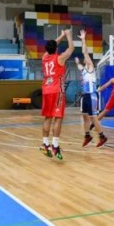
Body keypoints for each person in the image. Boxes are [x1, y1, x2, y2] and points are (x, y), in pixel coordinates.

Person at [40, 29, 74, 160]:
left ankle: (45, 143)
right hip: (57, 91)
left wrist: (61, 35)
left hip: (46, 90)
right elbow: (71, 48)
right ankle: (55, 145)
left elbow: (53, 44)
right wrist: (69, 36)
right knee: (58, 118)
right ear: (56, 48)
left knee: (47, 118)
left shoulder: (44, 58)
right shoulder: (59, 58)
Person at [75, 30, 108, 147]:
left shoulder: (90, 67)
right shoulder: (84, 69)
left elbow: (85, 52)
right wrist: (77, 62)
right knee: (85, 117)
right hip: (85, 95)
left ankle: (102, 136)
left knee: (93, 118)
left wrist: (83, 39)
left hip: (92, 95)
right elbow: (79, 66)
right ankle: (87, 135)